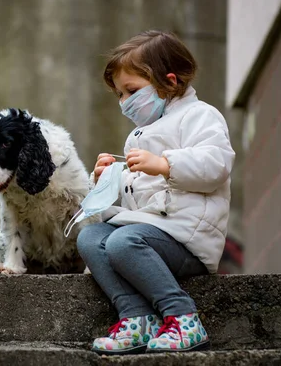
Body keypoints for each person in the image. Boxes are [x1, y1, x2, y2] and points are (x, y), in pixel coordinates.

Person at [76, 30, 235, 355]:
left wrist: (165, 164)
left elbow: (217, 163)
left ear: (170, 82)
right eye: (119, 94)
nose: (124, 103)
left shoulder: (200, 116)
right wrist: (106, 181)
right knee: (90, 238)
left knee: (122, 241)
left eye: (130, 91)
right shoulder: (140, 135)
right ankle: (137, 318)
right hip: (152, 233)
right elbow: (138, 199)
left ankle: (183, 318)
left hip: (188, 238)